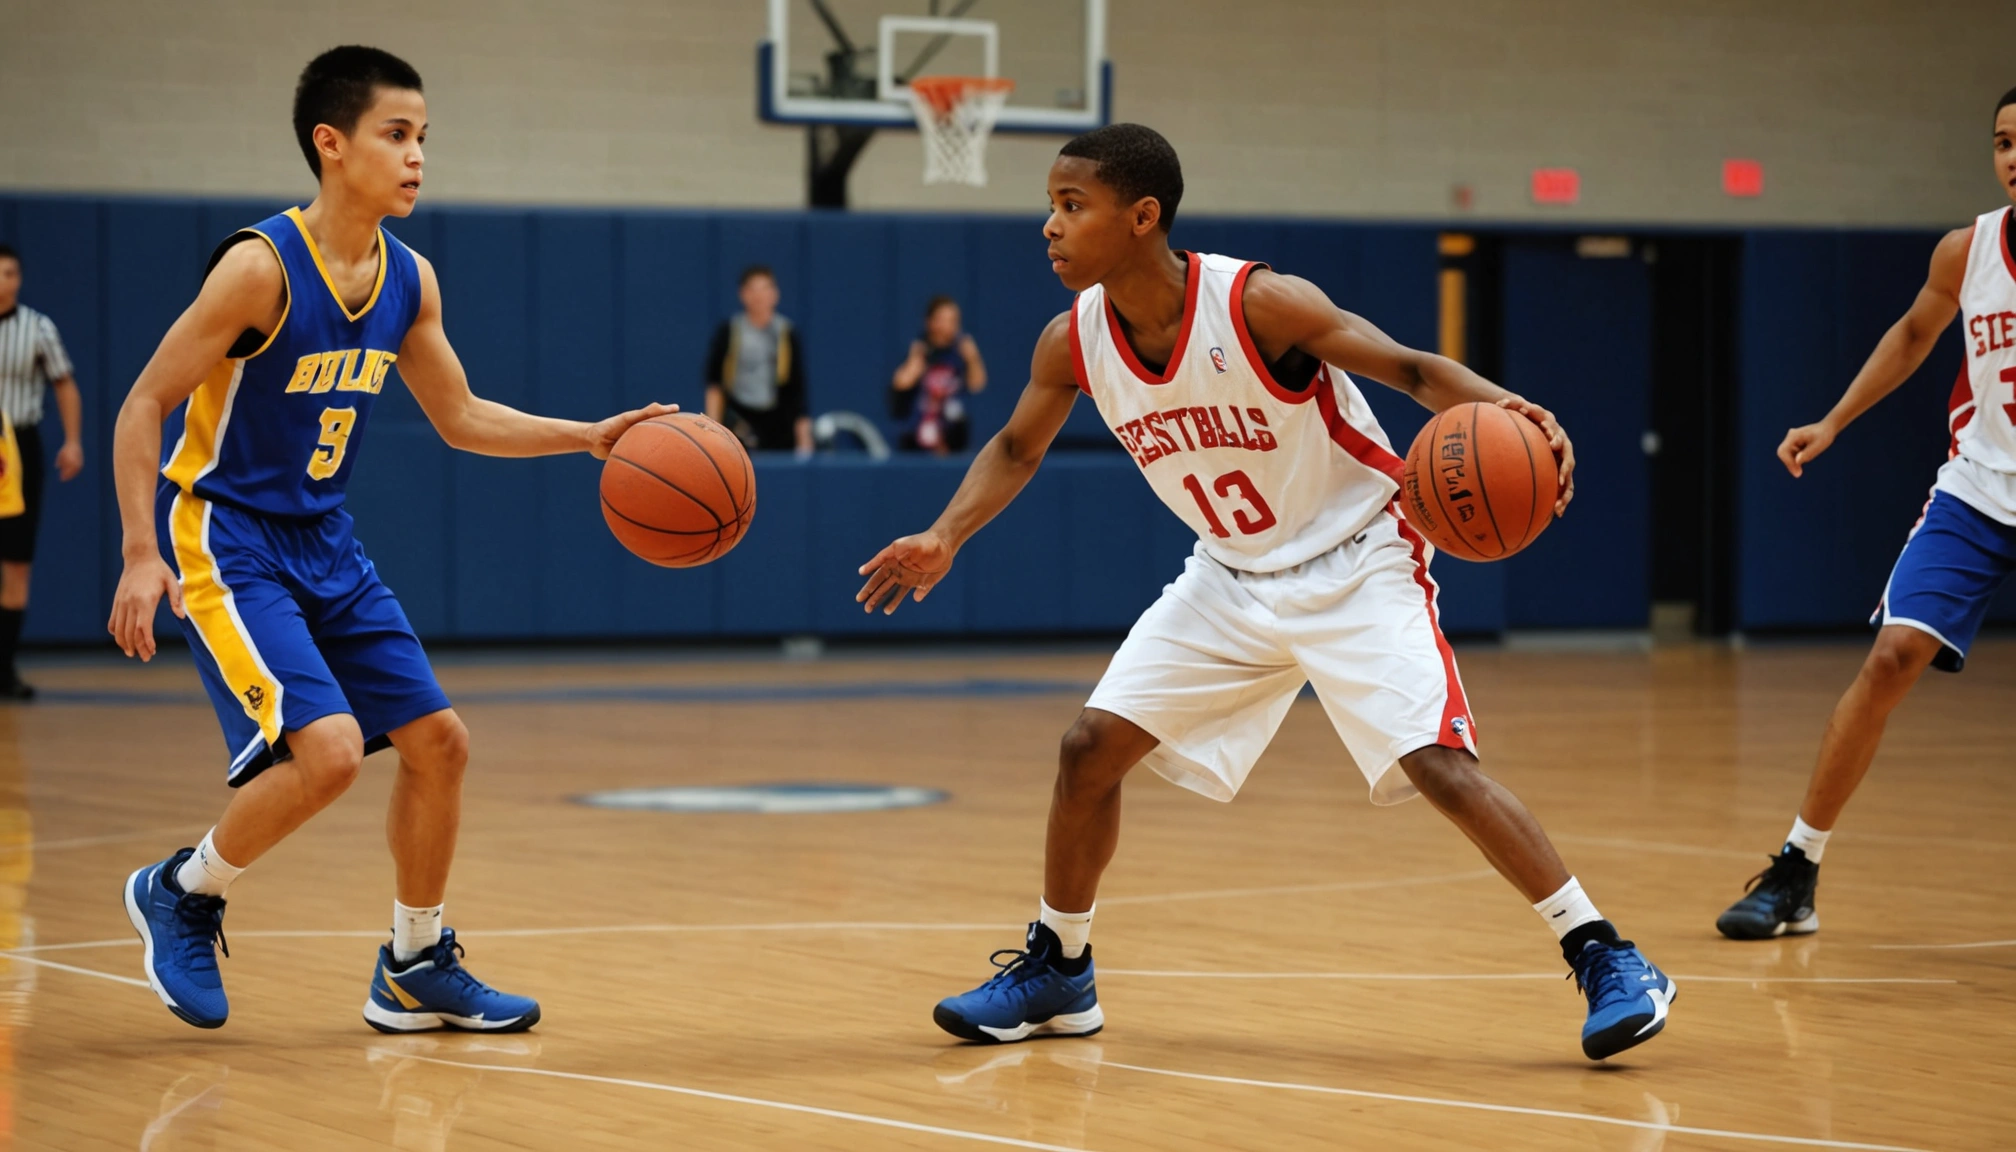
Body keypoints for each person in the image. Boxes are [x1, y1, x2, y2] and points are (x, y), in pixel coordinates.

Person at [857, 124, 1676, 1063]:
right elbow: (1014, 448)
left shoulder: (1260, 305)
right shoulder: (1071, 340)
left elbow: (1409, 368)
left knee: (1437, 763)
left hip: (1359, 557)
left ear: (1142, 216)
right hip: (1230, 572)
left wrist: (1518, 411)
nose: (1049, 226)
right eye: (1050, 205)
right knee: (1089, 750)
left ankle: (1607, 953)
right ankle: (1060, 970)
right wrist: (943, 534)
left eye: (1070, 206)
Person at [108, 46, 675, 1032]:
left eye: (424, 138)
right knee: (326, 754)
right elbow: (144, 403)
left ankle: (415, 962)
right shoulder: (259, 270)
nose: (417, 157)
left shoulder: (409, 280)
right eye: (397, 135)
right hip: (228, 537)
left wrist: (587, 437)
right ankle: (183, 890)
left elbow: (458, 415)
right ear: (331, 144)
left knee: (440, 744)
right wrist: (138, 552)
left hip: (326, 540)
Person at [1715, 87, 2016, 941]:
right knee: (1890, 657)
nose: (2012, 157)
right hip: (1982, 488)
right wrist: (1833, 421)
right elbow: (1915, 335)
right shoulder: (1969, 251)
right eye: (2001, 142)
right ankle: (1796, 872)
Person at [0, 245, 86, 699]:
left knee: (16, 561)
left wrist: (72, 441)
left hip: (18, 448)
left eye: (10, 272)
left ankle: (4, 668)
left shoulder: (37, 328)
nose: (3, 280)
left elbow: (64, 382)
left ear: (20, 279)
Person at [704, 266, 812, 454]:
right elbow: (715, 384)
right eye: (752, 289)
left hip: (778, 421)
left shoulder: (787, 332)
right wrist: (713, 428)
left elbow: (797, 389)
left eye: (765, 289)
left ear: (775, 294)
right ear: (742, 294)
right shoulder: (729, 331)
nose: (758, 296)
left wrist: (804, 440)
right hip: (739, 417)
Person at [892, 295, 987, 454]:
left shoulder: (961, 353)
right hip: (917, 441)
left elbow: (977, 384)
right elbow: (900, 383)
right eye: (942, 319)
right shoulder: (920, 350)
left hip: (953, 439)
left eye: (953, 320)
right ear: (930, 322)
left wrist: (973, 359)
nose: (947, 326)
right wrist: (915, 362)